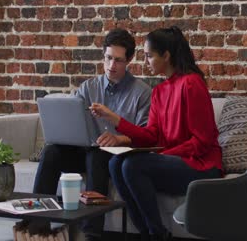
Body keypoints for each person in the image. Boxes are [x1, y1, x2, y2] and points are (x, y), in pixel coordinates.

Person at [90, 26, 223, 241]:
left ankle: (156, 234)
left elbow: (203, 141)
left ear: (166, 56)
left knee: (134, 165)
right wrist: (114, 119)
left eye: (149, 56)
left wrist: (163, 156)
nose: (145, 62)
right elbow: (151, 135)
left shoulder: (192, 84)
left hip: (202, 166)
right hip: (174, 161)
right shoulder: (160, 91)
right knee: (115, 163)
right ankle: (147, 233)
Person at [33, 28, 152, 241]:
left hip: (115, 156)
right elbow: (71, 121)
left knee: (97, 155)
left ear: (129, 60)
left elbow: (145, 135)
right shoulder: (88, 87)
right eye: (107, 58)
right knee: (51, 152)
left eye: (118, 60)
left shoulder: (142, 93)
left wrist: (119, 138)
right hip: (84, 150)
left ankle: (92, 233)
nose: (111, 66)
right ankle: (36, 227)